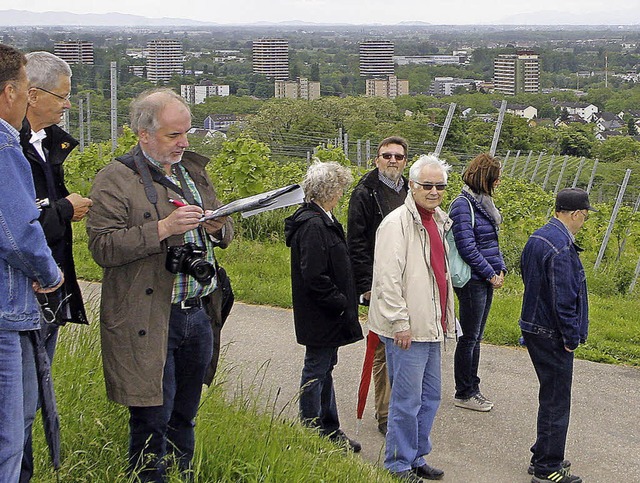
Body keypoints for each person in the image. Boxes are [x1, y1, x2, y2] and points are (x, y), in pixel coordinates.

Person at [86, 88, 233, 482]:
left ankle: (182, 475)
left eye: (186, 133)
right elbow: (102, 247)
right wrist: (163, 229)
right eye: (173, 135)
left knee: (185, 415)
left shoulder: (192, 171)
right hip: (149, 316)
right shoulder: (115, 179)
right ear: (143, 134)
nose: (184, 142)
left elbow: (223, 227)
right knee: (153, 417)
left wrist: (220, 227)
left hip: (197, 312)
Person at [19, 51, 92, 483]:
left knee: (36, 396)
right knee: (20, 404)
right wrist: (64, 208)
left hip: (50, 292)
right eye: (61, 97)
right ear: (31, 94)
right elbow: (19, 228)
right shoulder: (12, 149)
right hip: (24, 295)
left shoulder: (46, 144)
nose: (67, 105)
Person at [368, 154, 455, 482]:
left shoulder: (438, 220)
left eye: (440, 186)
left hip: (431, 326)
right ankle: (397, 464)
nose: (434, 192)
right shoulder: (396, 224)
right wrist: (399, 322)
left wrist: (445, 320)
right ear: (413, 186)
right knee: (405, 400)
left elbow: (439, 276)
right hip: (407, 329)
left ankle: (417, 455)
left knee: (430, 397)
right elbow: (387, 279)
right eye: (426, 185)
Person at [0, 43, 64, 483]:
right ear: (10, 92)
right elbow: (18, 233)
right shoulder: (5, 146)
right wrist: (50, 273)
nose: (26, 98)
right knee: (8, 437)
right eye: (25, 88)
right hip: (7, 312)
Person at [284, 161, 363, 453]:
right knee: (317, 369)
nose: (342, 193)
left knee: (324, 368)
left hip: (325, 313)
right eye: (340, 187)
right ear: (331, 189)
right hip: (321, 314)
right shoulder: (314, 224)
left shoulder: (321, 219)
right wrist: (341, 303)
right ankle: (312, 431)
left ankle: (329, 429)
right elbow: (315, 275)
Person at [519, 188, 594, 483]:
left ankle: (543, 453)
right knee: (556, 400)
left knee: (550, 394)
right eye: (584, 217)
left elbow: (528, 276)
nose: (583, 222)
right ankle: (547, 467)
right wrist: (571, 337)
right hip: (551, 331)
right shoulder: (562, 247)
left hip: (533, 325)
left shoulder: (539, 236)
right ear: (576, 214)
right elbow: (564, 299)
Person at [347, 136, 409, 435]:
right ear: (377, 160)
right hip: (379, 282)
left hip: (408, 281)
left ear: (405, 161)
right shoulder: (365, 193)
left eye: (398, 156)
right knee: (382, 348)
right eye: (387, 156)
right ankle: (385, 414)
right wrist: (365, 284)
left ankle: (403, 407)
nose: (392, 161)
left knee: (406, 342)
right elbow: (356, 243)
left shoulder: (413, 190)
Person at [448, 153, 506, 412]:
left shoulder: (484, 204)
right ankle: (465, 391)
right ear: (486, 178)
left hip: (484, 277)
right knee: (469, 338)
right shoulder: (463, 205)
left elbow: (491, 242)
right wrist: (489, 273)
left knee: (476, 337)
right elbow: (467, 246)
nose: (499, 182)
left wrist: (500, 267)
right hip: (472, 280)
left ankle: (472, 387)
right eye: (496, 177)